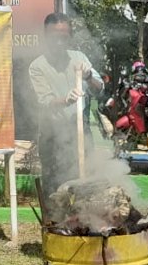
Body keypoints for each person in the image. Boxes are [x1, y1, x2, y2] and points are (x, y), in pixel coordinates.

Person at [29, 13, 104, 196]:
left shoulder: (79, 58)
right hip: (52, 133)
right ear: (46, 36)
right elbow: (45, 102)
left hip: (80, 130)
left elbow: (99, 88)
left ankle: (84, 221)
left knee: (85, 178)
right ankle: (55, 223)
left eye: (64, 36)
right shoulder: (37, 66)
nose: (60, 42)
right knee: (55, 183)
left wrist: (88, 77)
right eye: (55, 37)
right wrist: (66, 100)